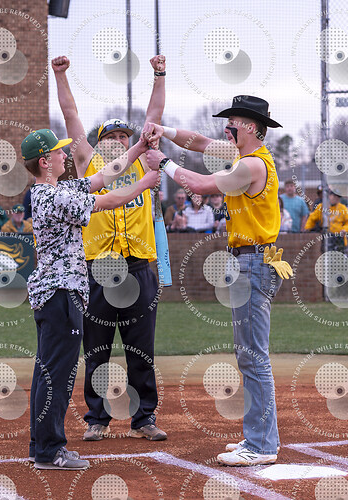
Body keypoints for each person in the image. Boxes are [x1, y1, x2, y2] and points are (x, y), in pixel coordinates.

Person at [145, 95, 293, 466]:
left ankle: (261, 445)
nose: (228, 127)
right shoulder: (243, 156)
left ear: (253, 128)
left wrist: (162, 162)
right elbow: (197, 142)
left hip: (254, 263)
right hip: (251, 262)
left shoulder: (252, 165)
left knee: (253, 357)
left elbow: (199, 183)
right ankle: (260, 436)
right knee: (249, 355)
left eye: (235, 122)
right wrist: (164, 131)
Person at [22, 128, 159, 470]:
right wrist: (145, 183)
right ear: (44, 162)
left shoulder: (55, 190)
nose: (64, 156)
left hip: (55, 293)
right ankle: (50, 450)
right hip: (61, 293)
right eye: (57, 152)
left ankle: (40, 445)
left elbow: (102, 177)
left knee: (46, 371)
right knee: (57, 374)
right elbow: (108, 200)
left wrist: (138, 148)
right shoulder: (54, 197)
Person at [52, 54, 168, 442]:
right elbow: (70, 115)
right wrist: (61, 75)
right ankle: (97, 418)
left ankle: (144, 418)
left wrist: (159, 74)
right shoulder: (88, 164)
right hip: (98, 270)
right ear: (97, 142)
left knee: (141, 350)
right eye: (110, 136)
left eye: (123, 136)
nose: (118, 141)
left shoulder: (143, 165)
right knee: (96, 349)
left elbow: (154, 114)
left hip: (137, 268)